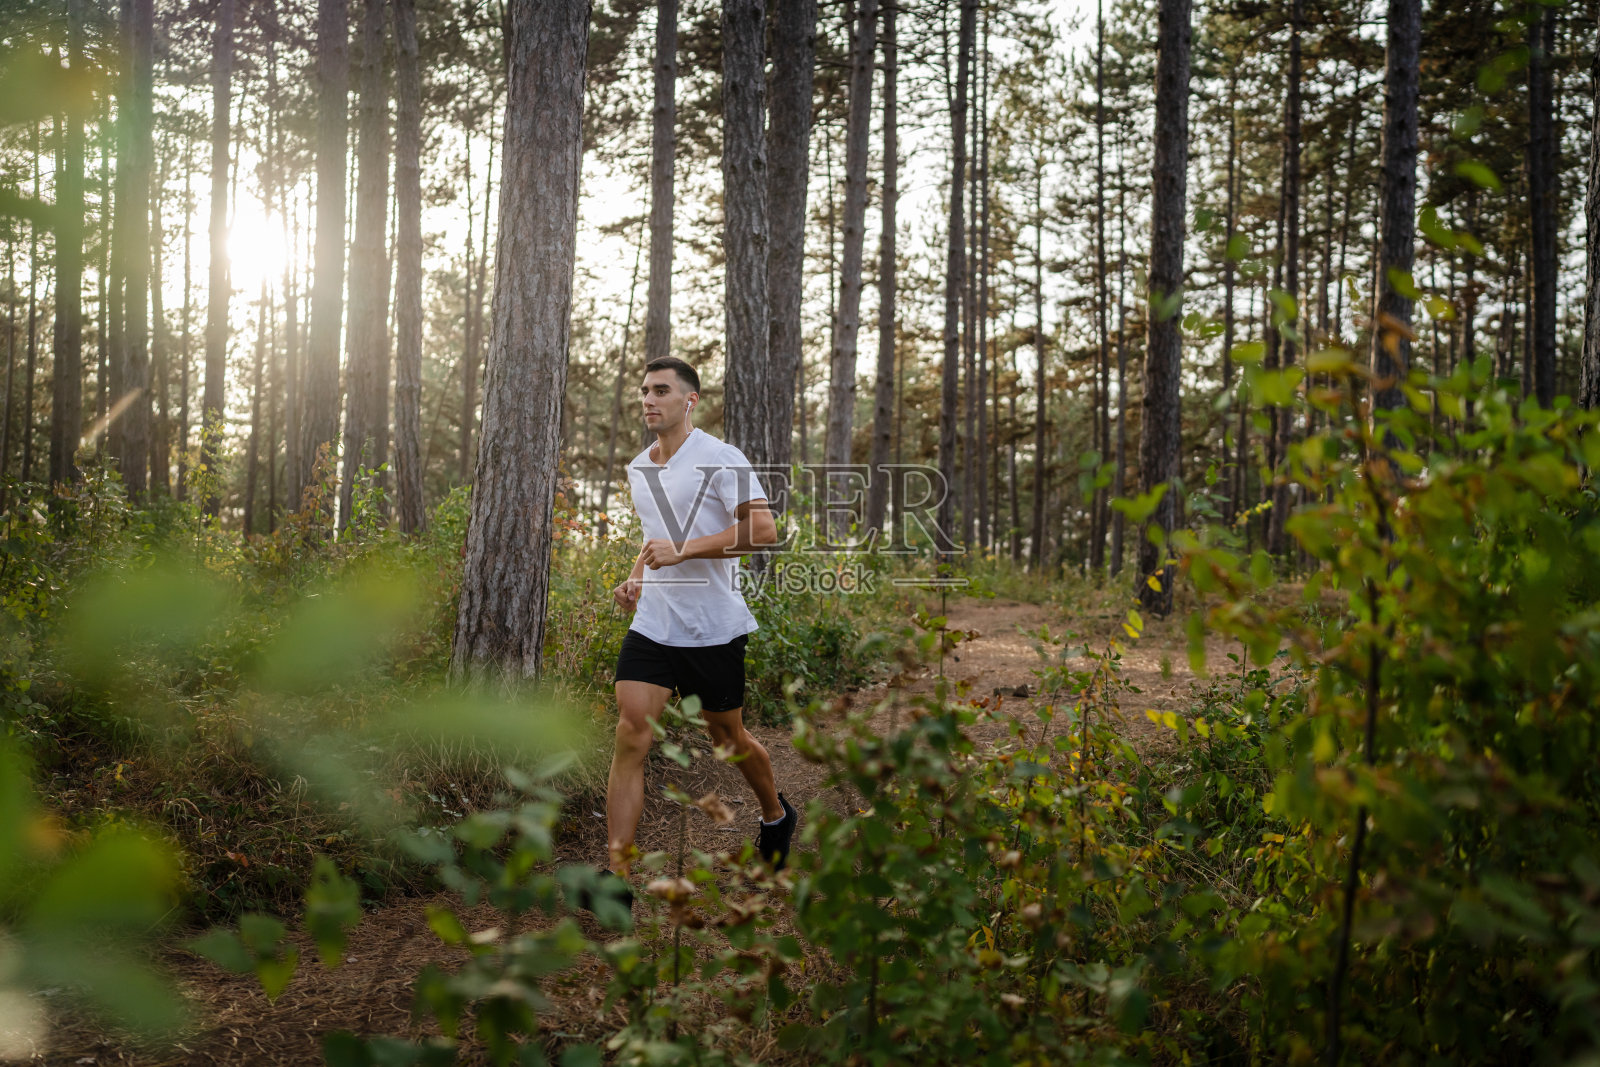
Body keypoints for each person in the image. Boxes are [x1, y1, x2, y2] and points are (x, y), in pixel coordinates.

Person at [588, 356, 795, 912]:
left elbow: (763, 529)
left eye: (661, 391)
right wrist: (634, 579)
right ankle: (618, 879)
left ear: (690, 401)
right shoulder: (639, 467)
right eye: (644, 392)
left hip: (713, 627)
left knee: (728, 741)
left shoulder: (720, 459)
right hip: (655, 621)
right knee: (632, 732)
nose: (649, 401)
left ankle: (776, 816)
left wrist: (683, 550)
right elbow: (656, 537)